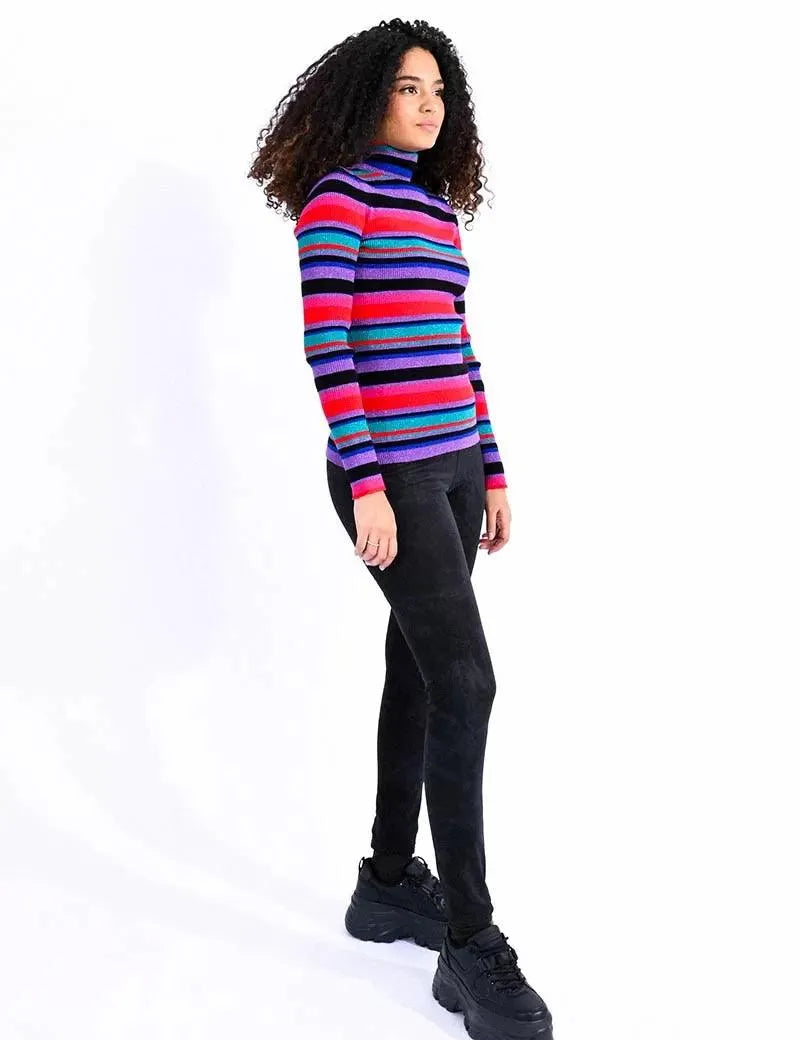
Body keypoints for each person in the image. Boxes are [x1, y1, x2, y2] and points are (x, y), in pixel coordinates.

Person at [248, 18, 554, 1040]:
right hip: (392, 480)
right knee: (467, 681)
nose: (428, 105)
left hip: (456, 471)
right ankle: (468, 936)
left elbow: (458, 348)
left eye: (438, 91)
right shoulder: (338, 198)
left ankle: (386, 881)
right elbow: (327, 349)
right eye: (408, 87)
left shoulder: (431, 206)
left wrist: (494, 469)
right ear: (365, 96)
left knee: (422, 670)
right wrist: (368, 485)